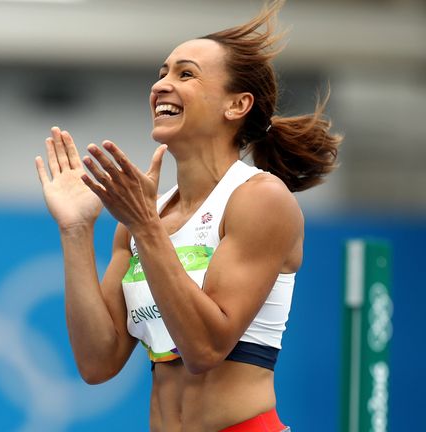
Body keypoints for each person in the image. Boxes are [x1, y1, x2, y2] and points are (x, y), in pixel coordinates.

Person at [33, 0, 341, 430]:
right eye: (162, 73)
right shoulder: (144, 216)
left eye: (186, 73)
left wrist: (146, 227)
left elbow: (205, 349)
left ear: (236, 106)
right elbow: (96, 362)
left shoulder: (259, 198)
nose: (161, 85)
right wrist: (76, 230)